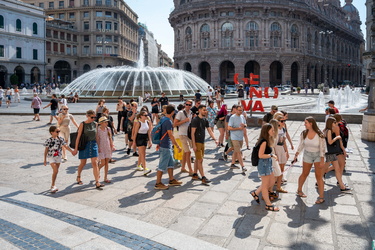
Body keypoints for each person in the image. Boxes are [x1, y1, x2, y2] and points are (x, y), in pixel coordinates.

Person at [293, 117, 326, 204]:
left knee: (318, 176)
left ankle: (321, 197)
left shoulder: (320, 134)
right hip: (307, 154)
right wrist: (296, 154)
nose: (304, 124)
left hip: (318, 155)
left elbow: (322, 148)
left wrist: (322, 160)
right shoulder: (304, 133)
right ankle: (299, 190)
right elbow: (301, 145)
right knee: (304, 173)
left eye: (306, 122)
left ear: (311, 123)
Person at [250, 123, 279, 212]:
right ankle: (268, 204)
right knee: (266, 185)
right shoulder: (264, 142)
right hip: (264, 164)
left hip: (267, 164)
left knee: (272, 181)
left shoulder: (266, 140)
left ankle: (256, 193)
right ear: (267, 131)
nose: (274, 132)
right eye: (272, 130)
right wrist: (271, 155)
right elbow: (261, 155)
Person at [73, 110, 104, 189]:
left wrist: (99, 147)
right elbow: (78, 137)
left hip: (93, 144)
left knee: (95, 163)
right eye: (92, 117)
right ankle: (78, 176)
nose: (93, 118)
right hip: (84, 145)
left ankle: (97, 182)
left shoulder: (95, 124)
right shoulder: (82, 124)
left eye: (95, 117)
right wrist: (76, 149)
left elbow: (96, 136)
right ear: (87, 116)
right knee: (83, 163)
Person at [155, 105, 183, 190]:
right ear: (173, 112)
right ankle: (158, 183)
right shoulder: (168, 121)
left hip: (165, 144)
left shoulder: (163, 119)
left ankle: (171, 179)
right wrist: (177, 146)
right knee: (162, 165)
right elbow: (170, 135)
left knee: (170, 164)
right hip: (165, 145)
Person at [191, 104, 218, 185]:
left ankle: (195, 174)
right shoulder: (195, 120)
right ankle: (203, 177)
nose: (205, 111)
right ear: (199, 110)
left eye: (205, 110)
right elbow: (192, 133)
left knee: (197, 159)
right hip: (197, 142)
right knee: (200, 160)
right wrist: (194, 145)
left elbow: (209, 130)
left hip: (202, 142)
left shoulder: (205, 120)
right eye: (203, 110)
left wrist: (215, 139)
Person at [43, 125, 74, 193]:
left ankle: (53, 185)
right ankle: (53, 185)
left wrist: (72, 151)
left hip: (58, 157)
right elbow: (46, 150)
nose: (58, 132)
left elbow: (65, 146)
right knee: (56, 170)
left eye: (59, 131)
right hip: (51, 157)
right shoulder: (49, 140)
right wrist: (45, 159)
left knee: (55, 172)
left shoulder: (60, 139)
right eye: (57, 131)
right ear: (52, 132)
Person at [324, 117, 351, 192]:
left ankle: (342, 186)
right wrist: (337, 137)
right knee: (336, 168)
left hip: (330, 152)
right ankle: (342, 187)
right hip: (330, 152)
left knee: (335, 168)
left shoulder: (327, 130)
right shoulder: (329, 130)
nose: (336, 124)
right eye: (335, 123)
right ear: (331, 123)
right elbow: (330, 142)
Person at [174, 99, 194, 175]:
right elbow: (174, 124)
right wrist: (184, 120)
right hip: (182, 134)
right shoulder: (180, 113)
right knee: (188, 152)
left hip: (188, 134)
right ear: (184, 105)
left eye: (189, 105)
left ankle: (183, 168)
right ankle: (191, 170)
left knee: (186, 152)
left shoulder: (191, 113)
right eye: (187, 104)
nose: (188, 106)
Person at [273, 113, 289, 193]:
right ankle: (273, 184)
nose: (284, 122)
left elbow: (284, 141)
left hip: (282, 149)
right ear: (278, 122)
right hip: (276, 150)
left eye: (284, 120)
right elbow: (272, 143)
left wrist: (287, 151)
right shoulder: (275, 130)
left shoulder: (283, 129)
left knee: (282, 168)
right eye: (282, 121)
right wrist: (275, 154)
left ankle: (279, 186)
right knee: (277, 168)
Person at [228, 105, 247, 172]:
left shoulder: (242, 116)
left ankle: (232, 163)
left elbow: (245, 124)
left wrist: (244, 125)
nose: (240, 111)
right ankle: (243, 166)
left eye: (241, 110)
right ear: (236, 110)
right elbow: (229, 128)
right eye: (239, 110)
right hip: (234, 137)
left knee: (236, 151)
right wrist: (238, 128)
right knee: (239, 152)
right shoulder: (232, 117)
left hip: (240, 137)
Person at [97, 116, 115, 183]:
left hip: (107, 146)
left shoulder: (108, 129)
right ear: (101, 123)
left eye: (107, 122)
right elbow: (97, 139)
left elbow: (110, 137)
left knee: (107, 162)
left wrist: (112, 145)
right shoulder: (98, 130)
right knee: (103, 162)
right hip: (101, 146)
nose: (106, 123)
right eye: (105, 122)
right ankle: (97, 170)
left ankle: (105, 177)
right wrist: (98, 147)